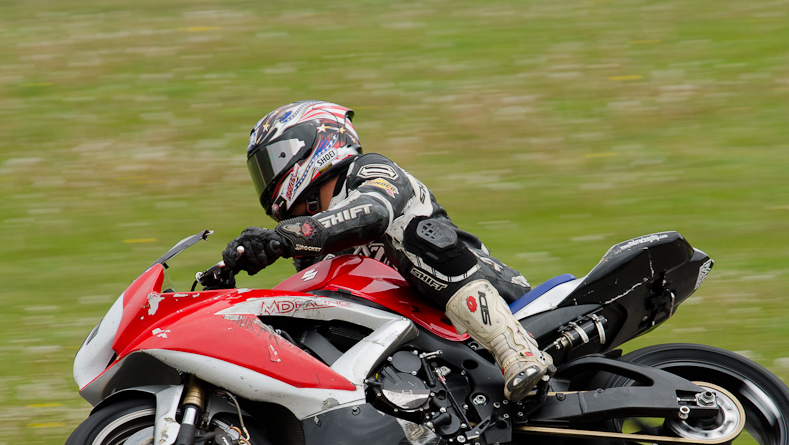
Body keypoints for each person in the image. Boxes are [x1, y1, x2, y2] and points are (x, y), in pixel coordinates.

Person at [221, 100, 552, 402]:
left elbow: (373, 212)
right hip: (422, 331)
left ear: (318, 143)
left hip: (494, 290)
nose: (267, 179)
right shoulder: (308, 251)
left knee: (410, 234)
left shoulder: (370, 170)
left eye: (274, 159)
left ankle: (516, 349)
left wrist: (285, 238)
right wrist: (230, 284)